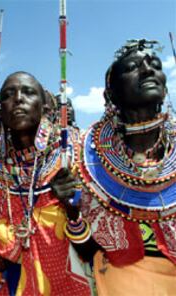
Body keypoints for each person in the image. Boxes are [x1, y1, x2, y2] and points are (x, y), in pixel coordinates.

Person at [72, 39, 176, 295]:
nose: (148, 70)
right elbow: (87, 251)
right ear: (111, 94)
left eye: (155, 65)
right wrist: (71, 211)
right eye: (133, 67)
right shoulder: (85, 161)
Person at [0, 71, 91, 295]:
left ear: (45, 106)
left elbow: (95, 249)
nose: (18, 98)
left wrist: (72, 210)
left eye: (28, 92)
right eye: (8, 94)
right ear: (1, 110)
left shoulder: (73, 153)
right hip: (16, 281)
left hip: (74, 279)